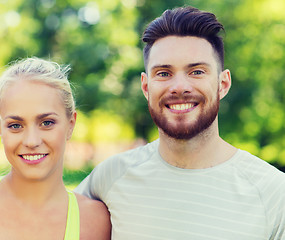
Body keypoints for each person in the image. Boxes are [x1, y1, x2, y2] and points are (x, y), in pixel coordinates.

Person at [75, 6, 285, 240]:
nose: (179, 87)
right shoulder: (108, 178)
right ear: (146, 87)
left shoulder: (273, 192)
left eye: (196, 71)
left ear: (223, 84)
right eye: (164, 73)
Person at [0, 58, 111, 240]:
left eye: (46, 123)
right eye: (15, 125)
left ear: (70, 124)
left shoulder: (95, 221)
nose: (31, 141)